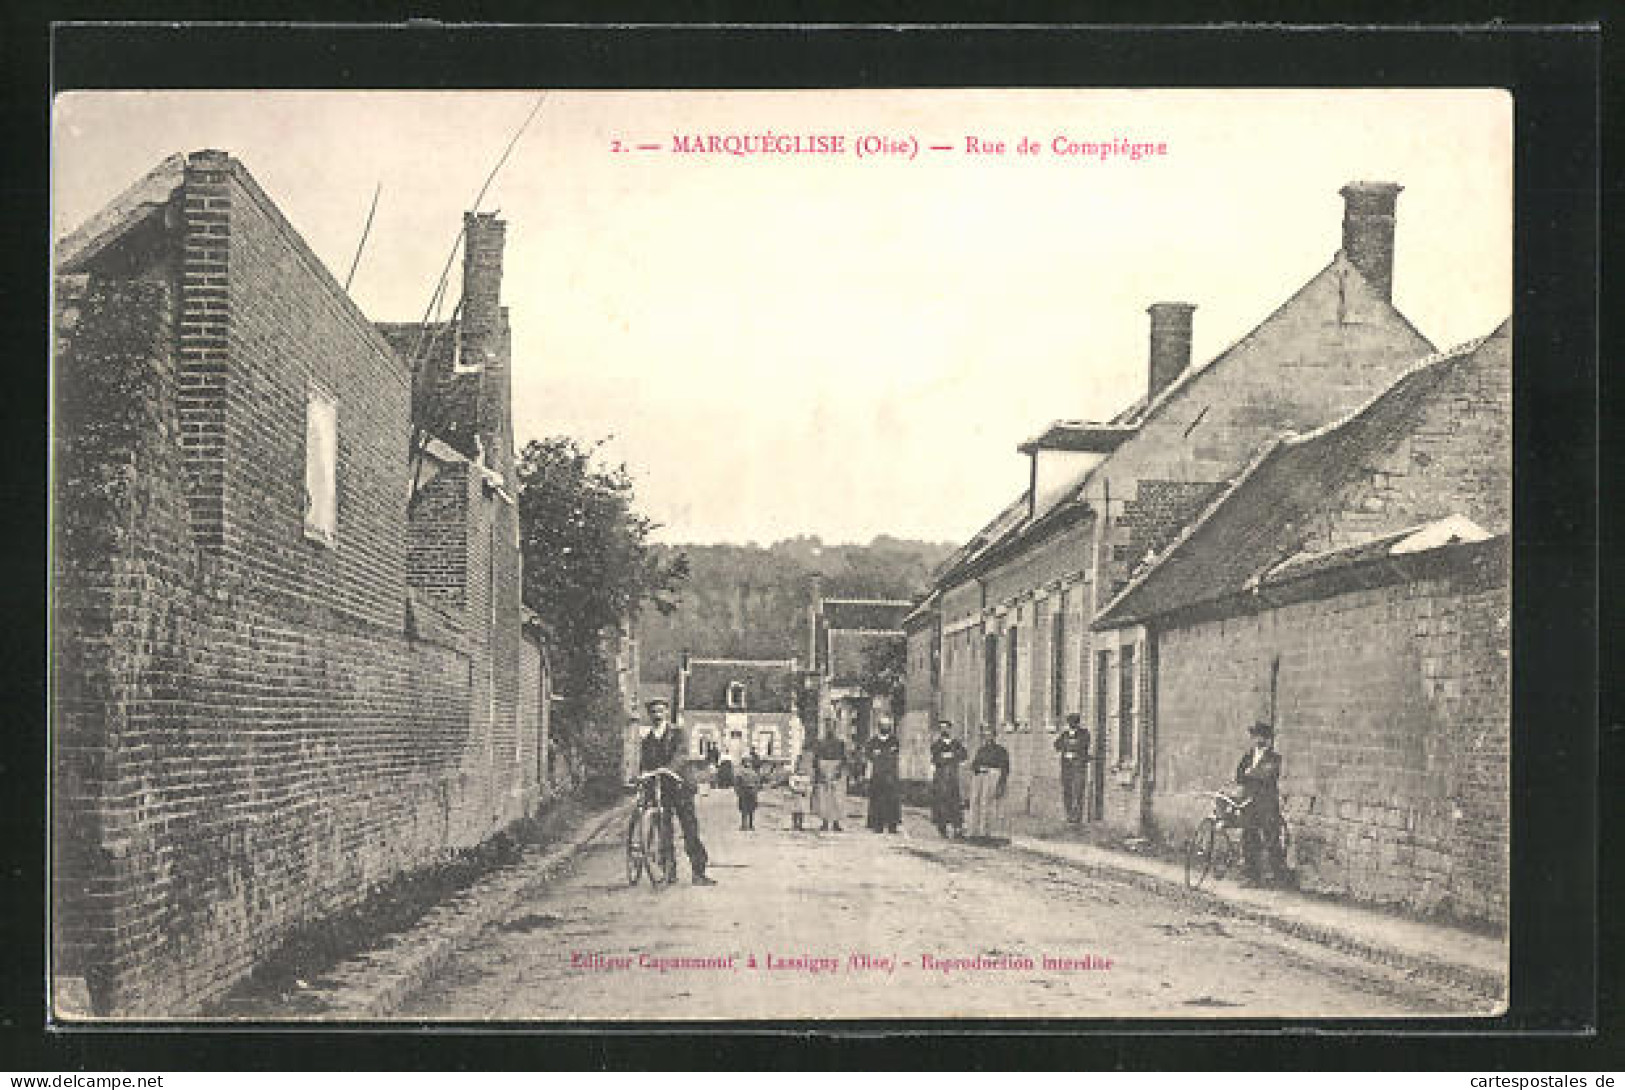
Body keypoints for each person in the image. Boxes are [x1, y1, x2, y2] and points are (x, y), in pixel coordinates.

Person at [637, 699, 716, 885]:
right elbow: (645, 762)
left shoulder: (677, 733)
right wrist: (642, 775)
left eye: (661, 711)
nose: (657, 715)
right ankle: (668, 872)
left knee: (689, 828)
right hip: (662, 787)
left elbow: (681, 753)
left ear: (666, 713)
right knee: (664, 830)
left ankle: (699, 872)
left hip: (680, 785)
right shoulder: (647, 739)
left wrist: (669, 769)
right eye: (654, 712)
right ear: (650, 715)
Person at [1235, 720, 1286, 886]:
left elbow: (1268, 776)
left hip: (1267, 804)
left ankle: (1277, 877)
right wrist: (1252, 773)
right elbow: (1239, 777)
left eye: (1263, 737)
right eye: (1256, 736)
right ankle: (1251, 876)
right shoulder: (1248, 756)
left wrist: (1251, 773)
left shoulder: (1275, 758)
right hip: (1249, 802)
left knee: (1271, 838)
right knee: (1249, 837)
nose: (1259, 740)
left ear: (1268, 739)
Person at [965, 726, 1010, 844]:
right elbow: (974, 763)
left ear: (995, 736)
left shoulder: (1000, 751)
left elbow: (1005, 767)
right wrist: (977, 768)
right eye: (985, 735)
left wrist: (1001, 781)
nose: (988, 738)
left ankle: (984, 832)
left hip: (992, 775)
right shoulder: (981, 750)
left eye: (990, 735)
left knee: (986, 802)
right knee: (975, 801)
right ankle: (973, 831)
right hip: (979, 776)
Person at [929, 720, 968, 839]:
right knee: (941, 802)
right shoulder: (936, 745)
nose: (944, 730)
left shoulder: (956, 743)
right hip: (940, 777)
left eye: (946, 728)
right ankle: (942, 827)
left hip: (953, 777)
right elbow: (935, 759)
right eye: (941, 728)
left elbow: (963, 756)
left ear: (950, 730)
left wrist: (951, 756)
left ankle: (957, 828)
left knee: (955, 802)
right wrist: (947, 757)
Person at [864, 722, 903, 834]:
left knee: (892, 800)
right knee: (877, 800)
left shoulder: (894, 740)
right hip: (877, 775)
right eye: (883, 726)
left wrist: (881, 754)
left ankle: (892, 825)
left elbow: (894, 754)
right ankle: (878, 824)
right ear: (879, 727)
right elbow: (869, 755)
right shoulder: (873, 741)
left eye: (887, 726)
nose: (885, 728)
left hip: (891, 774)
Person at [1054, 713, 1091, 824]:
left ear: (1077, 723)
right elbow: (1057, 745)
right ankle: (1069, 814)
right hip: (1066, 765)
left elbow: (1083, 745)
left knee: (1078, 789)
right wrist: (1069, 745)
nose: (1072, 725)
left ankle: (1077, 816)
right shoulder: (1065, 734)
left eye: (1074, 723)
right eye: (1070, 723)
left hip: (1078, 765)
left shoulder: (1084, 733)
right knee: (1067, 789)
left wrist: (1071, 746)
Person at [812, 723, 847, 831]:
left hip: (836, 771)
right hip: (823, 771)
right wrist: (819, 772)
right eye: (828, 727)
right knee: (823, 798)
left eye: (832, 727)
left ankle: (836, 822)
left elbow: (843, 759)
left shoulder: (840, 744)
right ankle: (825, 822)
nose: (830, 729)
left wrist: (839, 771)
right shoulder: (820, 743)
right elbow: (816, 759)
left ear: (835, 729)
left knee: (837, 798)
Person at [734, 748, 762, 831]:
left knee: (751, 809)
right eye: (746, 762)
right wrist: (738, 792)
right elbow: (736, 782)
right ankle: (744, 825)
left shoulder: (754, 772)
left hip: (752, 792)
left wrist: (756, 790)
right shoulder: (740, 772)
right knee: (744, 809)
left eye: (749, 762)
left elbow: (758, 782)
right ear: (743, 763)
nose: (748, 764)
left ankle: (750, 824)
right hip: (744, 791)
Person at [786, 747, 813, 831]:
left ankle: (800, 824)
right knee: (795, 811)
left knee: (802, 811)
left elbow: (809, 786)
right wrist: (797, 789)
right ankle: (794, 824)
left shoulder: (806, 778)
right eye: (799, 767)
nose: (801, 770)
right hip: (795, 796)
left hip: (802, 797)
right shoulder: (794, 777)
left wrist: (806, 790)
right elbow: (791, 785)